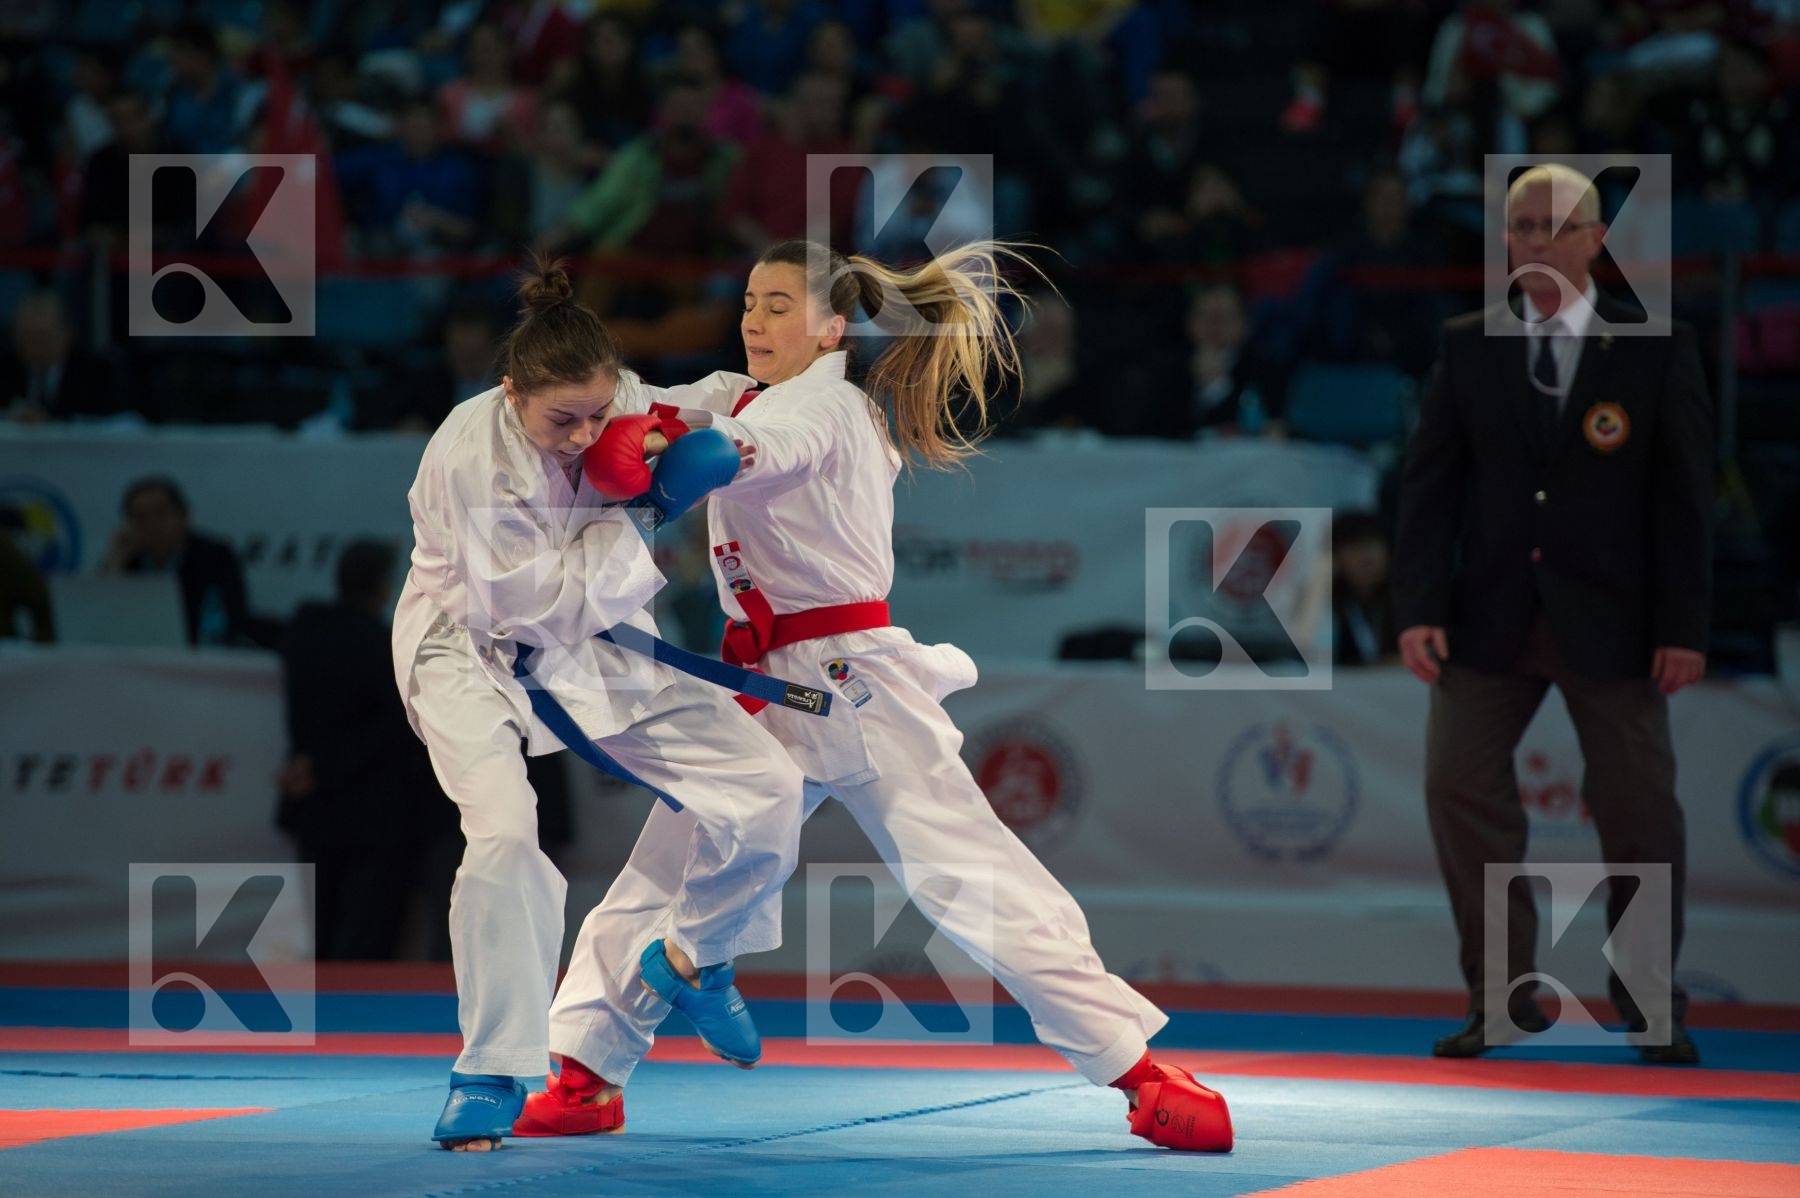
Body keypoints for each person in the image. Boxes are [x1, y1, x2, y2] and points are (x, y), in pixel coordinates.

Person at [521, 241, 1233, 1152]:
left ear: (829, 326)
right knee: (671, 861)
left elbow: (712, 455)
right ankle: (584, 1075)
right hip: (766, 683)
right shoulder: (738, 391)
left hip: (850, 681)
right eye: (747, 301)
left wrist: (653, 487)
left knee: (965, 868)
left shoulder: (830, 406)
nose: (754, 319)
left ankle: (1137, 1071)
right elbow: (630, 407)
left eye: (779, 305)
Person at [392, 255, 808, 1149]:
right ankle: (494, 1068)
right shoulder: (472, 456)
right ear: (511, 394)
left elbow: (714, 397)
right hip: (472, 655)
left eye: (598, 411)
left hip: (593, 650)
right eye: (561, 420)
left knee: (767, 786)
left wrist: (788, 398)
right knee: (503, 832)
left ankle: (697, 953)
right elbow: (530, 603)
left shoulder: (618, 407)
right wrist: (652, 509)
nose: (585, 435)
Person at [1392, 163, 1712, 1065]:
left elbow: (1685, 502)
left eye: (1549, 227)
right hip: (1487, 617)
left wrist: (1684, 626)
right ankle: (1500, 998)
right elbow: (1429, 490)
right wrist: (1417, 606)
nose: (1529, 242)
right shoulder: (1468, 342)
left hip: (1616, 622)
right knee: (1457, 785)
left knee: (1641, 810)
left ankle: (1651, 1003)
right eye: (1517, 227)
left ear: (1593, 239)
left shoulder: (1655, 346)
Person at [278, 540, 451, 960]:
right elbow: (397, 728)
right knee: (365, 942)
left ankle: (318, 1021)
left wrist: (312, 766)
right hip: (376, 813)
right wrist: (322, 767)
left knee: (319, 931)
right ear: (384, 586)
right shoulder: (387, 647)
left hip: (315, 803)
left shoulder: (303, 628)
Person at [102, 477, 249, 647]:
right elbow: (103, 619)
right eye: (140, 517)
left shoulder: (215, 557)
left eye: (161, 513)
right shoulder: (127, 559)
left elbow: (231, 615)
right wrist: (115, 562)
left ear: (184, 515)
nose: (152, 524)